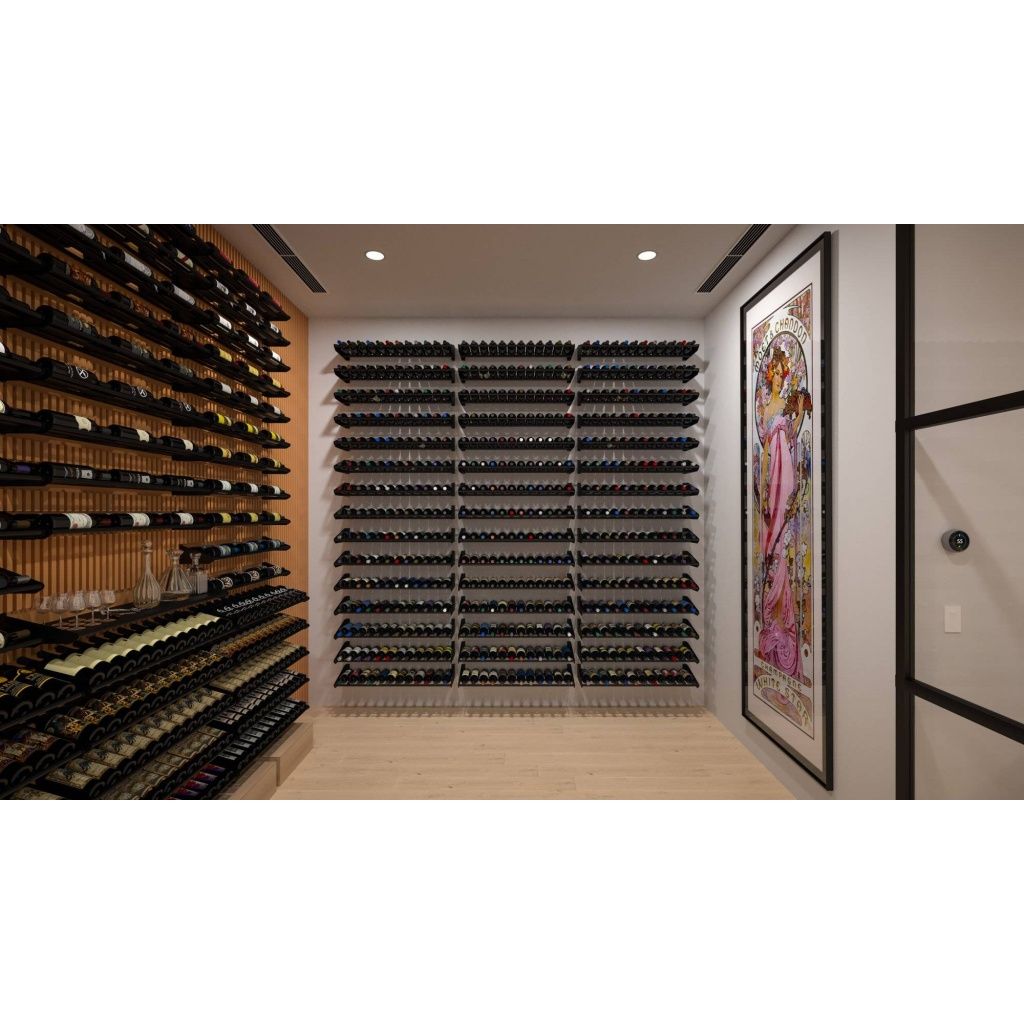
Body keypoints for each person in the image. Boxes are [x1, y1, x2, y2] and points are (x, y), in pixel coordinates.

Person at [756, 344, 810, 680]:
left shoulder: (788, 409)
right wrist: (762, 488)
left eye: (780, 372)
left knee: (780, 550)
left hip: (785, 476)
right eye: (773, 372)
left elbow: (792, 436)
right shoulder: (766, 408)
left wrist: (802, 411)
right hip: (770, 479)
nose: (777, 376)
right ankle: (774, 629)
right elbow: (764, 452)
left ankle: (782, 625)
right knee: (772, 549)